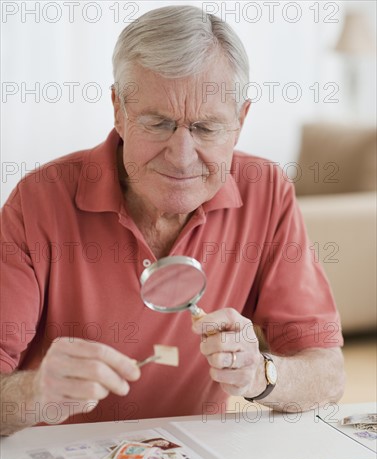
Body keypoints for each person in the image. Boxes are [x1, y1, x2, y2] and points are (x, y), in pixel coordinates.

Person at [0, 5, 344, 435]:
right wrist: (36, 395)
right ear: (118, 111)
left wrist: (260, 375)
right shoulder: (37, 201)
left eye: (205, 128)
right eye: (158, 123)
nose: (181, 158)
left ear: (240, 121)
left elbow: (327, 373)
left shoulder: (267, 191)